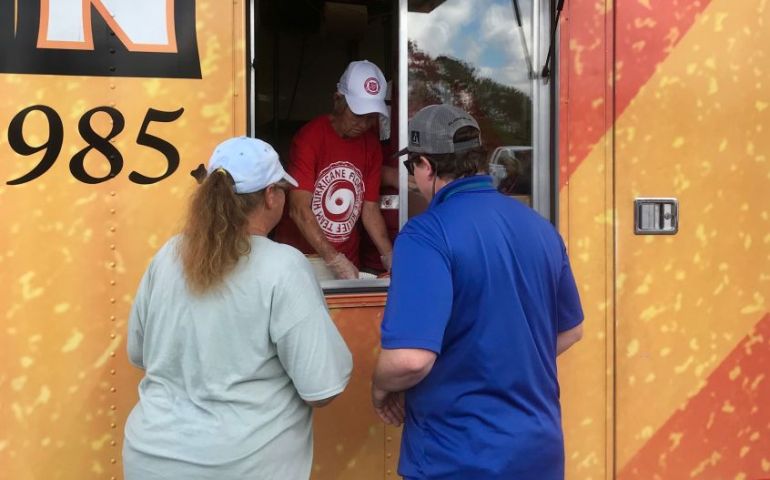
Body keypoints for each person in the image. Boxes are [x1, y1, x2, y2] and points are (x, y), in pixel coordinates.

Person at [371, 105, 584, 479]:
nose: (413, 178)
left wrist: (380, 389)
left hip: (457, 457)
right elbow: (571, 330)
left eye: (411, 168)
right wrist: (506, 362)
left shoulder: (426, 235)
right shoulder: (541, 228)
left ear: (427, 166)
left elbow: (409, 360)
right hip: (539, 454)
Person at [123, 136, 353, 480]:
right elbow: (322, 388)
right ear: (271, 196)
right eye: (281, 188)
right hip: (241, 465)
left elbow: (138, 352)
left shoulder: (168, 255)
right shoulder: (283, 266)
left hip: (149, 459)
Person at [274, 60, 393, 279]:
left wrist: (390, 257)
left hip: (349, 259)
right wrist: (334, 259)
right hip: (302, 259)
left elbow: (370, 209)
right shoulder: (310, 138)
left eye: (371, 118)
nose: (364, 124)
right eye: (358, 114)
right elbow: (298, 209)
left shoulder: (371, 145)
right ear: (338, 100)